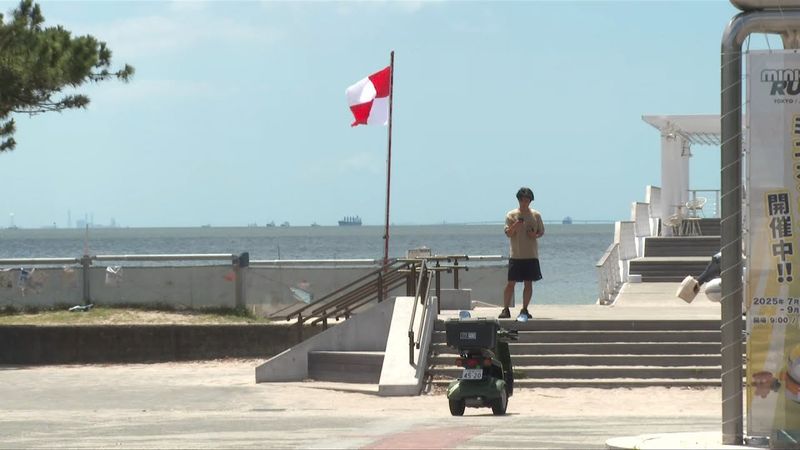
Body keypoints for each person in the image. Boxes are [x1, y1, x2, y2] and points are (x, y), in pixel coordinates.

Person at [500, 187, 545, 319]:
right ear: (519, 200)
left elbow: (541, 232)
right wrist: (516, 225)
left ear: (530, 201)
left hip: (531, 255)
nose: (525, 203)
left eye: (527, 200)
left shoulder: (536, 215)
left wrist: (534, 235)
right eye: (522, 200)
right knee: (510, 283)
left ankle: (524, 309)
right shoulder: (511, 215)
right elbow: (508, 233)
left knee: (528, 283)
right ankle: (505, 309)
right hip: (516, 255)